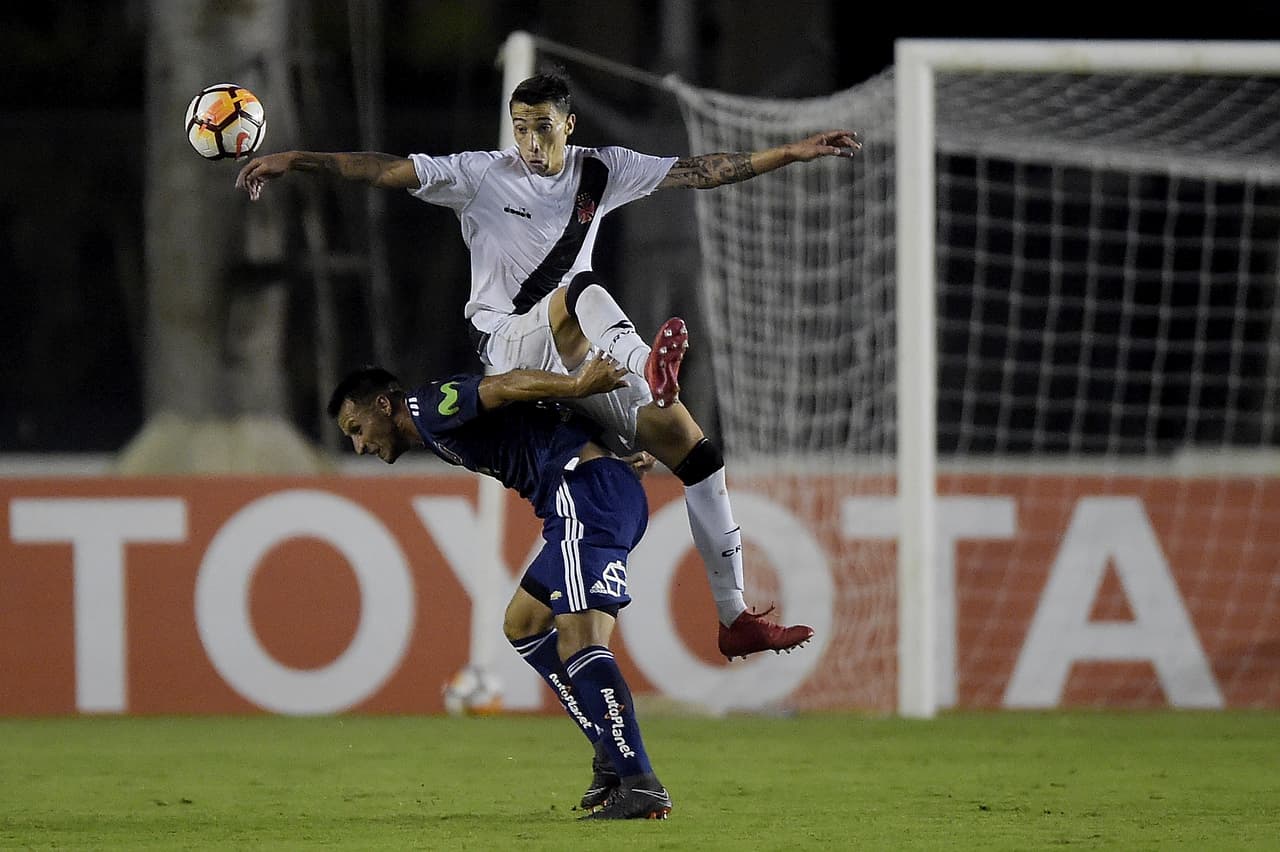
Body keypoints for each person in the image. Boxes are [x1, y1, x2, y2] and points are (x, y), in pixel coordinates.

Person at [238, 71, 858, 659]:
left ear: (569, 124)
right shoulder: (481, 175)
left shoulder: (603, 169)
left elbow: (702, 171)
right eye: (520, 127)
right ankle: (650, 367)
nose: (530, 142)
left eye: (542, 127)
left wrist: (792, 152)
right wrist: (296, 160)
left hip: (573, 349)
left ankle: (734, 620)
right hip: (508, 344)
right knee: (577, 289)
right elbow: (382, 170)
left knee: (698, 456)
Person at [328, 347, 671, 819]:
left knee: (581, 641)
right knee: (523, 623)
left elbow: (504, 384)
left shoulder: (427, 407)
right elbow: (533, 419)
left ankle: (639, 781)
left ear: (384, 405)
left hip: (582, 497)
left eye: (357, 429)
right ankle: (610, 753)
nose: (359, 446)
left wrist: (576, 386)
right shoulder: (431, 426)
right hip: (599, 491)